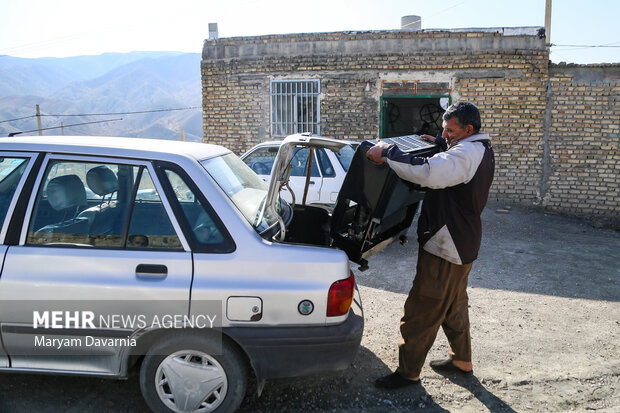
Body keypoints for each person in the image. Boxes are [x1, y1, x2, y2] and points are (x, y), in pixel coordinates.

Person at [366, 102, 495, 389]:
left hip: (445, 245)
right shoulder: (479, 148)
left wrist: (387, 152)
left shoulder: (465, 153)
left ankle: (408, 372)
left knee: (422, 308)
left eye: (450, 130)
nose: (445, 134)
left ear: (469, 130)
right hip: (463, 243)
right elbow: (452, 162)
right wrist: (439, 143)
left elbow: (429, 173)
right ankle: (462, 360)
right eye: (443, 130)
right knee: (454, 305)